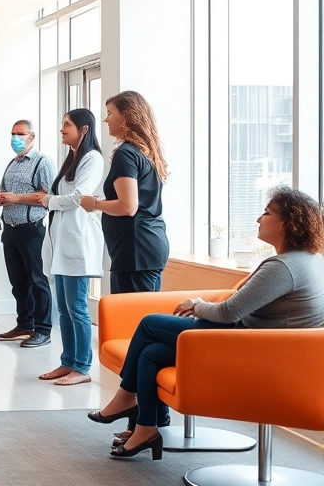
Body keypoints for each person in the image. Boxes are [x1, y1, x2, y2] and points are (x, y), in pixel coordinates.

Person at [89, 187, 324, 460]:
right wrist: (202, 305)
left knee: (150, 323)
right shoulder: (308, 260)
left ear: (287, 223)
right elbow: (239, 305)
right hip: (264, 347)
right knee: (151, 354)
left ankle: (126, 398)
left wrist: (197, 306)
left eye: (266, 212)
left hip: (253, 349)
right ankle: (146, 427)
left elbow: (229, 313)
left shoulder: (284, 267)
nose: (258, 219)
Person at [36, 109, 104, 386]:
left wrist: (48, 201)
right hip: (62, 240)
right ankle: (68, 362)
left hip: (78, 241)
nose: (62, 129)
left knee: (77, 307)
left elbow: (78, 197)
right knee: (63, 308)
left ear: (84, 129)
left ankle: (83, 367)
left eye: (67, 125)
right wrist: (51, 199)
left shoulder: (93, 158)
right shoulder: (72, 158)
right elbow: (68, 195)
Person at [81, 90, 169, 294]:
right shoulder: (145, 152)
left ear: (127, 115)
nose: (106, 119)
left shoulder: (126, 154)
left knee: (132, 320)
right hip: (147, 247)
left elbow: (127, 206)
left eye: (110, 113)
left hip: (136, 252)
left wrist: (94, 204)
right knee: (144, 318)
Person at [0, 119, 56, 349]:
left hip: (32, 229)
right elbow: (5, 192)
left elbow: (49, 196)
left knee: (37, 281)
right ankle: (25, 324)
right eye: (13, 134)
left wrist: (16, 198)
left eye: (20, 134)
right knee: (18, 282)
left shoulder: (43, 162)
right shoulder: (12, 162)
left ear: (32, 136)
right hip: (10, 229)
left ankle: (43, 329)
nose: (15, 138)